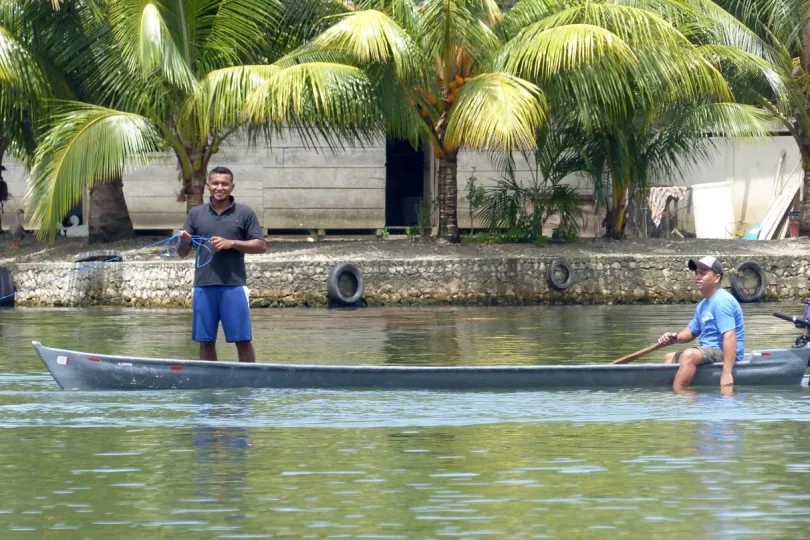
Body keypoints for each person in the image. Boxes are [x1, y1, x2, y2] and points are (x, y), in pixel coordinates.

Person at [177, 166, 266, 362]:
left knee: (242, 340)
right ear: (208, 185)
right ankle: (209, 382)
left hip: (233, 286)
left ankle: (248, 381)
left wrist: (231, 243)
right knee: (205, 340)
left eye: (224, 184)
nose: (220, 187)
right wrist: (183, 241)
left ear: (232, 187)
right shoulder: (195, 214)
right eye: (215, 183)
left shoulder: (244, 213)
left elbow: (260, 245)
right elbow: (182, 253)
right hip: (203, 286)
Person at [658, 256, 745, 390]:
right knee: (669, 358)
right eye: (697, 273)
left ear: (716, 278)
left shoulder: (722, 301)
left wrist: (727, 373)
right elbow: (692, 331)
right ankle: (667, 392)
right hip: (709, 351)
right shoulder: (703, 305)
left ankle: (680, 396)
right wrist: (675, 337)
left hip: (723, 352)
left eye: (703, 274)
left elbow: (730, 336)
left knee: (689, 355)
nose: (697, 277)